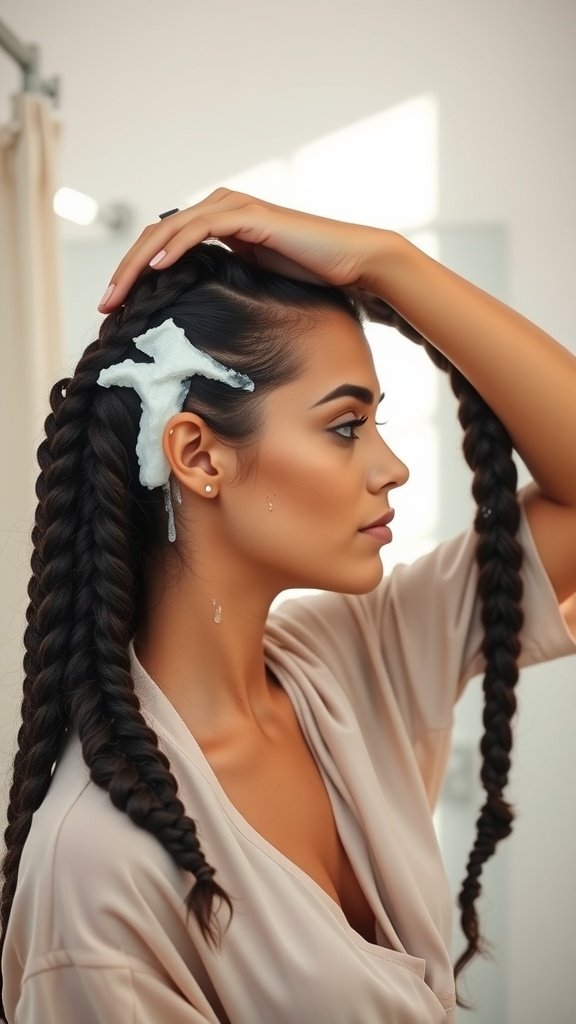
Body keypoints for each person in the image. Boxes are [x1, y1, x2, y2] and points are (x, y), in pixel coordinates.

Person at [1, 189, 575, 1024]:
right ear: (198, 455)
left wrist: (390, 263)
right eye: (346, 427)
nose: (392, 469)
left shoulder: (342, 658)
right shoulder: (99, 870)